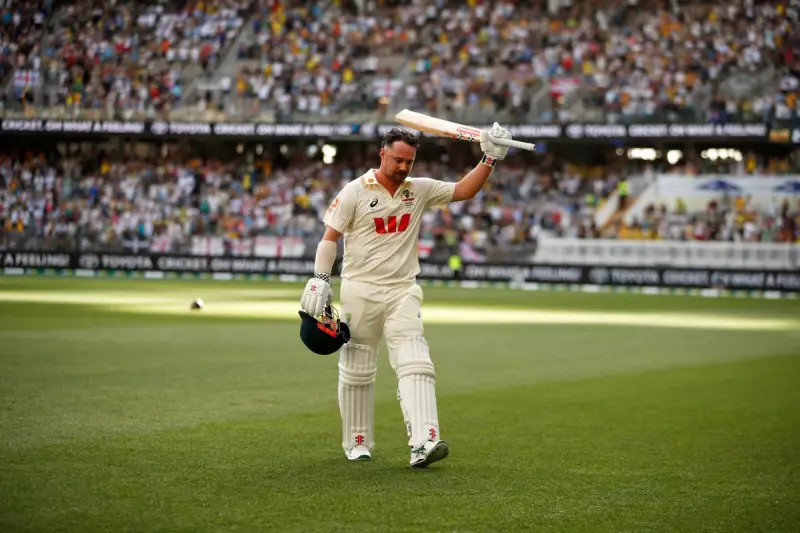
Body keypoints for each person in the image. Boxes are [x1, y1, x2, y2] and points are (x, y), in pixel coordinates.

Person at [299, 124, 512, 467]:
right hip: (360, 289)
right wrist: (321, 278)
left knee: (416, 362)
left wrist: (490, 157)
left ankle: (423, 442)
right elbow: (330, 237)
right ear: (382, 154)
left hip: (403, 289)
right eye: (397, 160)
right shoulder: (354, 192)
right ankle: (357, 441)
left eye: (408, 162)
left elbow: (463, 191)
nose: (402, 167)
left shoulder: (420, 190)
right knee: (357, 369)